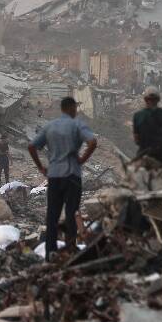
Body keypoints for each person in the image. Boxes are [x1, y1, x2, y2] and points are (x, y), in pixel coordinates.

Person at [28, 97, 97, 257]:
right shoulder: (77, 124)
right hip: (72, 175)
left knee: (52, 215)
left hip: (54, 175)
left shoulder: (50, 126)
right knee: (71, 214)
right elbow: (92, 142)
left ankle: (50, 254)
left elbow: (32, 146)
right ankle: (70, 251)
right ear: (72, 108)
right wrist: (82, 159)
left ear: (62, 108)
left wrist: (40, 167)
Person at [132, 86, 162, 168]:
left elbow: (137, 140)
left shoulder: (138, 116)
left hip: (143, 157)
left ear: (145, 100)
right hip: (161, 159)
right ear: (158, 99)